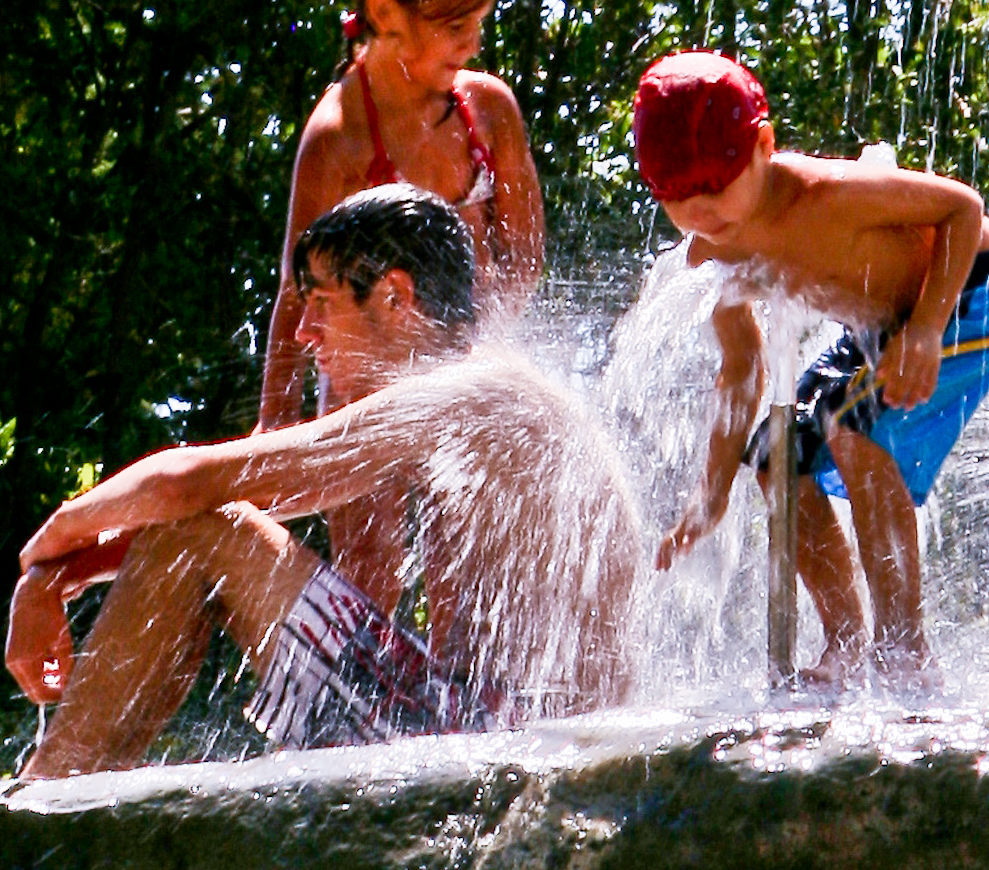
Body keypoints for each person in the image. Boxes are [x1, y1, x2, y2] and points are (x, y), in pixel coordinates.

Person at [7, 186, 638, 778]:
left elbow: (189, 484)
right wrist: (62, 576)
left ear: (395, 297)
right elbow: (229, 501)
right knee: (197, 530)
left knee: (201, 533)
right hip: (513, 738)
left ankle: (38, 808)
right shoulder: (492, 394)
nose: (304, 332)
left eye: (322, 301)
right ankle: (52, 797)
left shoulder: (470, 396)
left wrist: (44, 554)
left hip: (517, 751)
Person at [638, 51, 989, 687]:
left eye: (717, 185)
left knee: (854, 427)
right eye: (679, 198)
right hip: (875, 328)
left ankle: (905, 651)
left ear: (763, 145)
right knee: (774, 457)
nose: (703, 211)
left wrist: (927, 329)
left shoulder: (824, 196)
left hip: (970, 297)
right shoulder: (712, 255)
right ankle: (845, 641)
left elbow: (962, 207)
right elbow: (740, 370)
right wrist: (709, 497)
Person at [258, 0, 545, 432]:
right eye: (458, 26)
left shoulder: (487, 112)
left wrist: (464, 354)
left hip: (471, 365)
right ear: (386, 13)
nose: (474, 43)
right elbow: (297, 291)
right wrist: (272, 423)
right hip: (363, 391)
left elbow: (525, 258)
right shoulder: (339, 139)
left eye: (480, 23)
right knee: (361, 457)